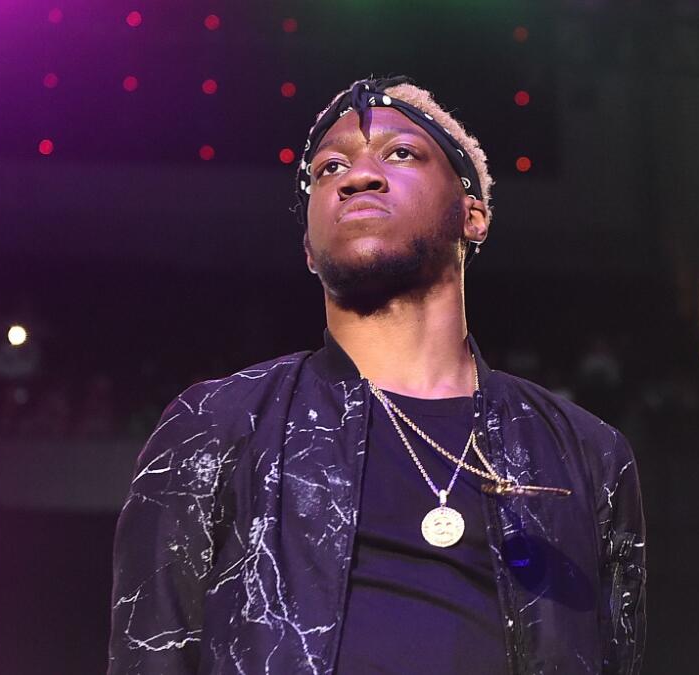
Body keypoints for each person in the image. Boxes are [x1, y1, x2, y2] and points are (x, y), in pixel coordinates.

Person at [107, 76, 647, 674]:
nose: (357, 176)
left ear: (473, 215)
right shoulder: (216, 426)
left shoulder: (586, 454)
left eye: (401, 153)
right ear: (308, 248)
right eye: (329, 168)